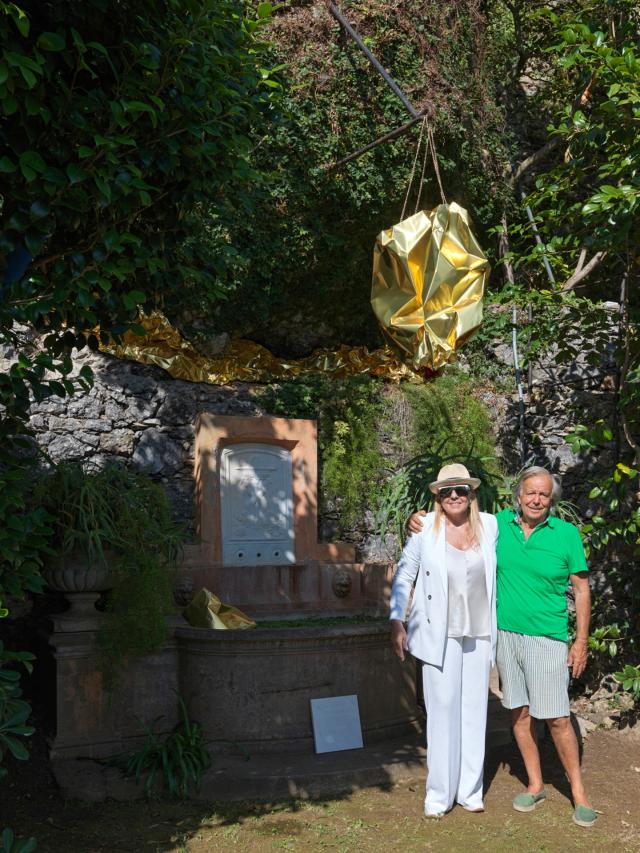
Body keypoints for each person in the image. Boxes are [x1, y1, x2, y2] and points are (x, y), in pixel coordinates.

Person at [407, 466, 597, 828]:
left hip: (548, 637)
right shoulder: (499, 526)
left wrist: (581, 641)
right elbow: (453, 518)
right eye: (530, 493)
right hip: (506, 635)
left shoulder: (566, 534)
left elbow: (582, 589)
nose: (537, 500)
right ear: (518, 497)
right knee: (520, 715)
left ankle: (579, 793)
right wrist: (414, 519)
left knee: (557, 717)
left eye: (544, 494)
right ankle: (536, 784)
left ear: (552, 499)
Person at [390, 463, 498, 817]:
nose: (455, 496)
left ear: (471, 495)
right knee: (442, 712)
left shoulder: (491, 527)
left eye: (461, 490)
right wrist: (397, 620)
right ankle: (439, 795)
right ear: (437, 495)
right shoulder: (424, 532)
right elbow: (405, 575)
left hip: (479, 632)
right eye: (448, 490)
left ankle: (470, 791)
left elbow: (526, 517)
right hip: (439, 633)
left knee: (474, 711)